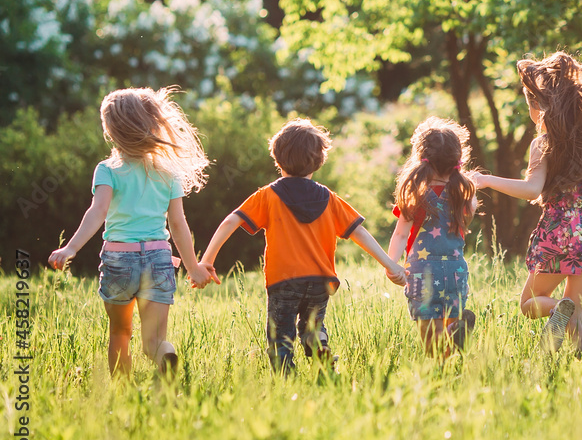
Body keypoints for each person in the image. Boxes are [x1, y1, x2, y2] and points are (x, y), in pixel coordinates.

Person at [200, 118, 405, 373]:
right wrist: (390, 265)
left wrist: (207, 260)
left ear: (278, 158)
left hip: (283, 280)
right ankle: (316, 340)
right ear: (318, 160)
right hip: (321, 281)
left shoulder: (268, 196)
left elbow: (231, 221)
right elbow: (359, 232)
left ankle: (287, 381)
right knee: (312, 326)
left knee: (280, 338)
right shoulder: (329, 198)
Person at [48, 87, 217, 377]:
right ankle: (165, 354)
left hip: (119, 261)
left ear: (112, 131)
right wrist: (193, 267)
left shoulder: (108, 169)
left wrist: (70, 248)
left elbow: (97, 213)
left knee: (120, 333)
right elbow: (178, 224)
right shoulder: (168, 171)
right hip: (158, 259)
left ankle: (123, 396)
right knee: (153, 342)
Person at [471, 52, 582, 354]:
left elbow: (531, 189)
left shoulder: (543, 143)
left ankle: (556, 310)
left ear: (537, 106)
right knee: (574, 311)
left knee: (529, 305)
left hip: (558, 235)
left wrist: (486, 181)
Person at [387, 117, 478, 357]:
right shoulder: (463, 194)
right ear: (458, 160)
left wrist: (391, 264)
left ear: (421, 157)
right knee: (447, 324)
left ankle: (443, 355)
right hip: (454, 272)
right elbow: (471, 212)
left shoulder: (415, 194)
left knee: (431, 338)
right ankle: (453, 333)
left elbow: (400, 233)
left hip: (421, 271)